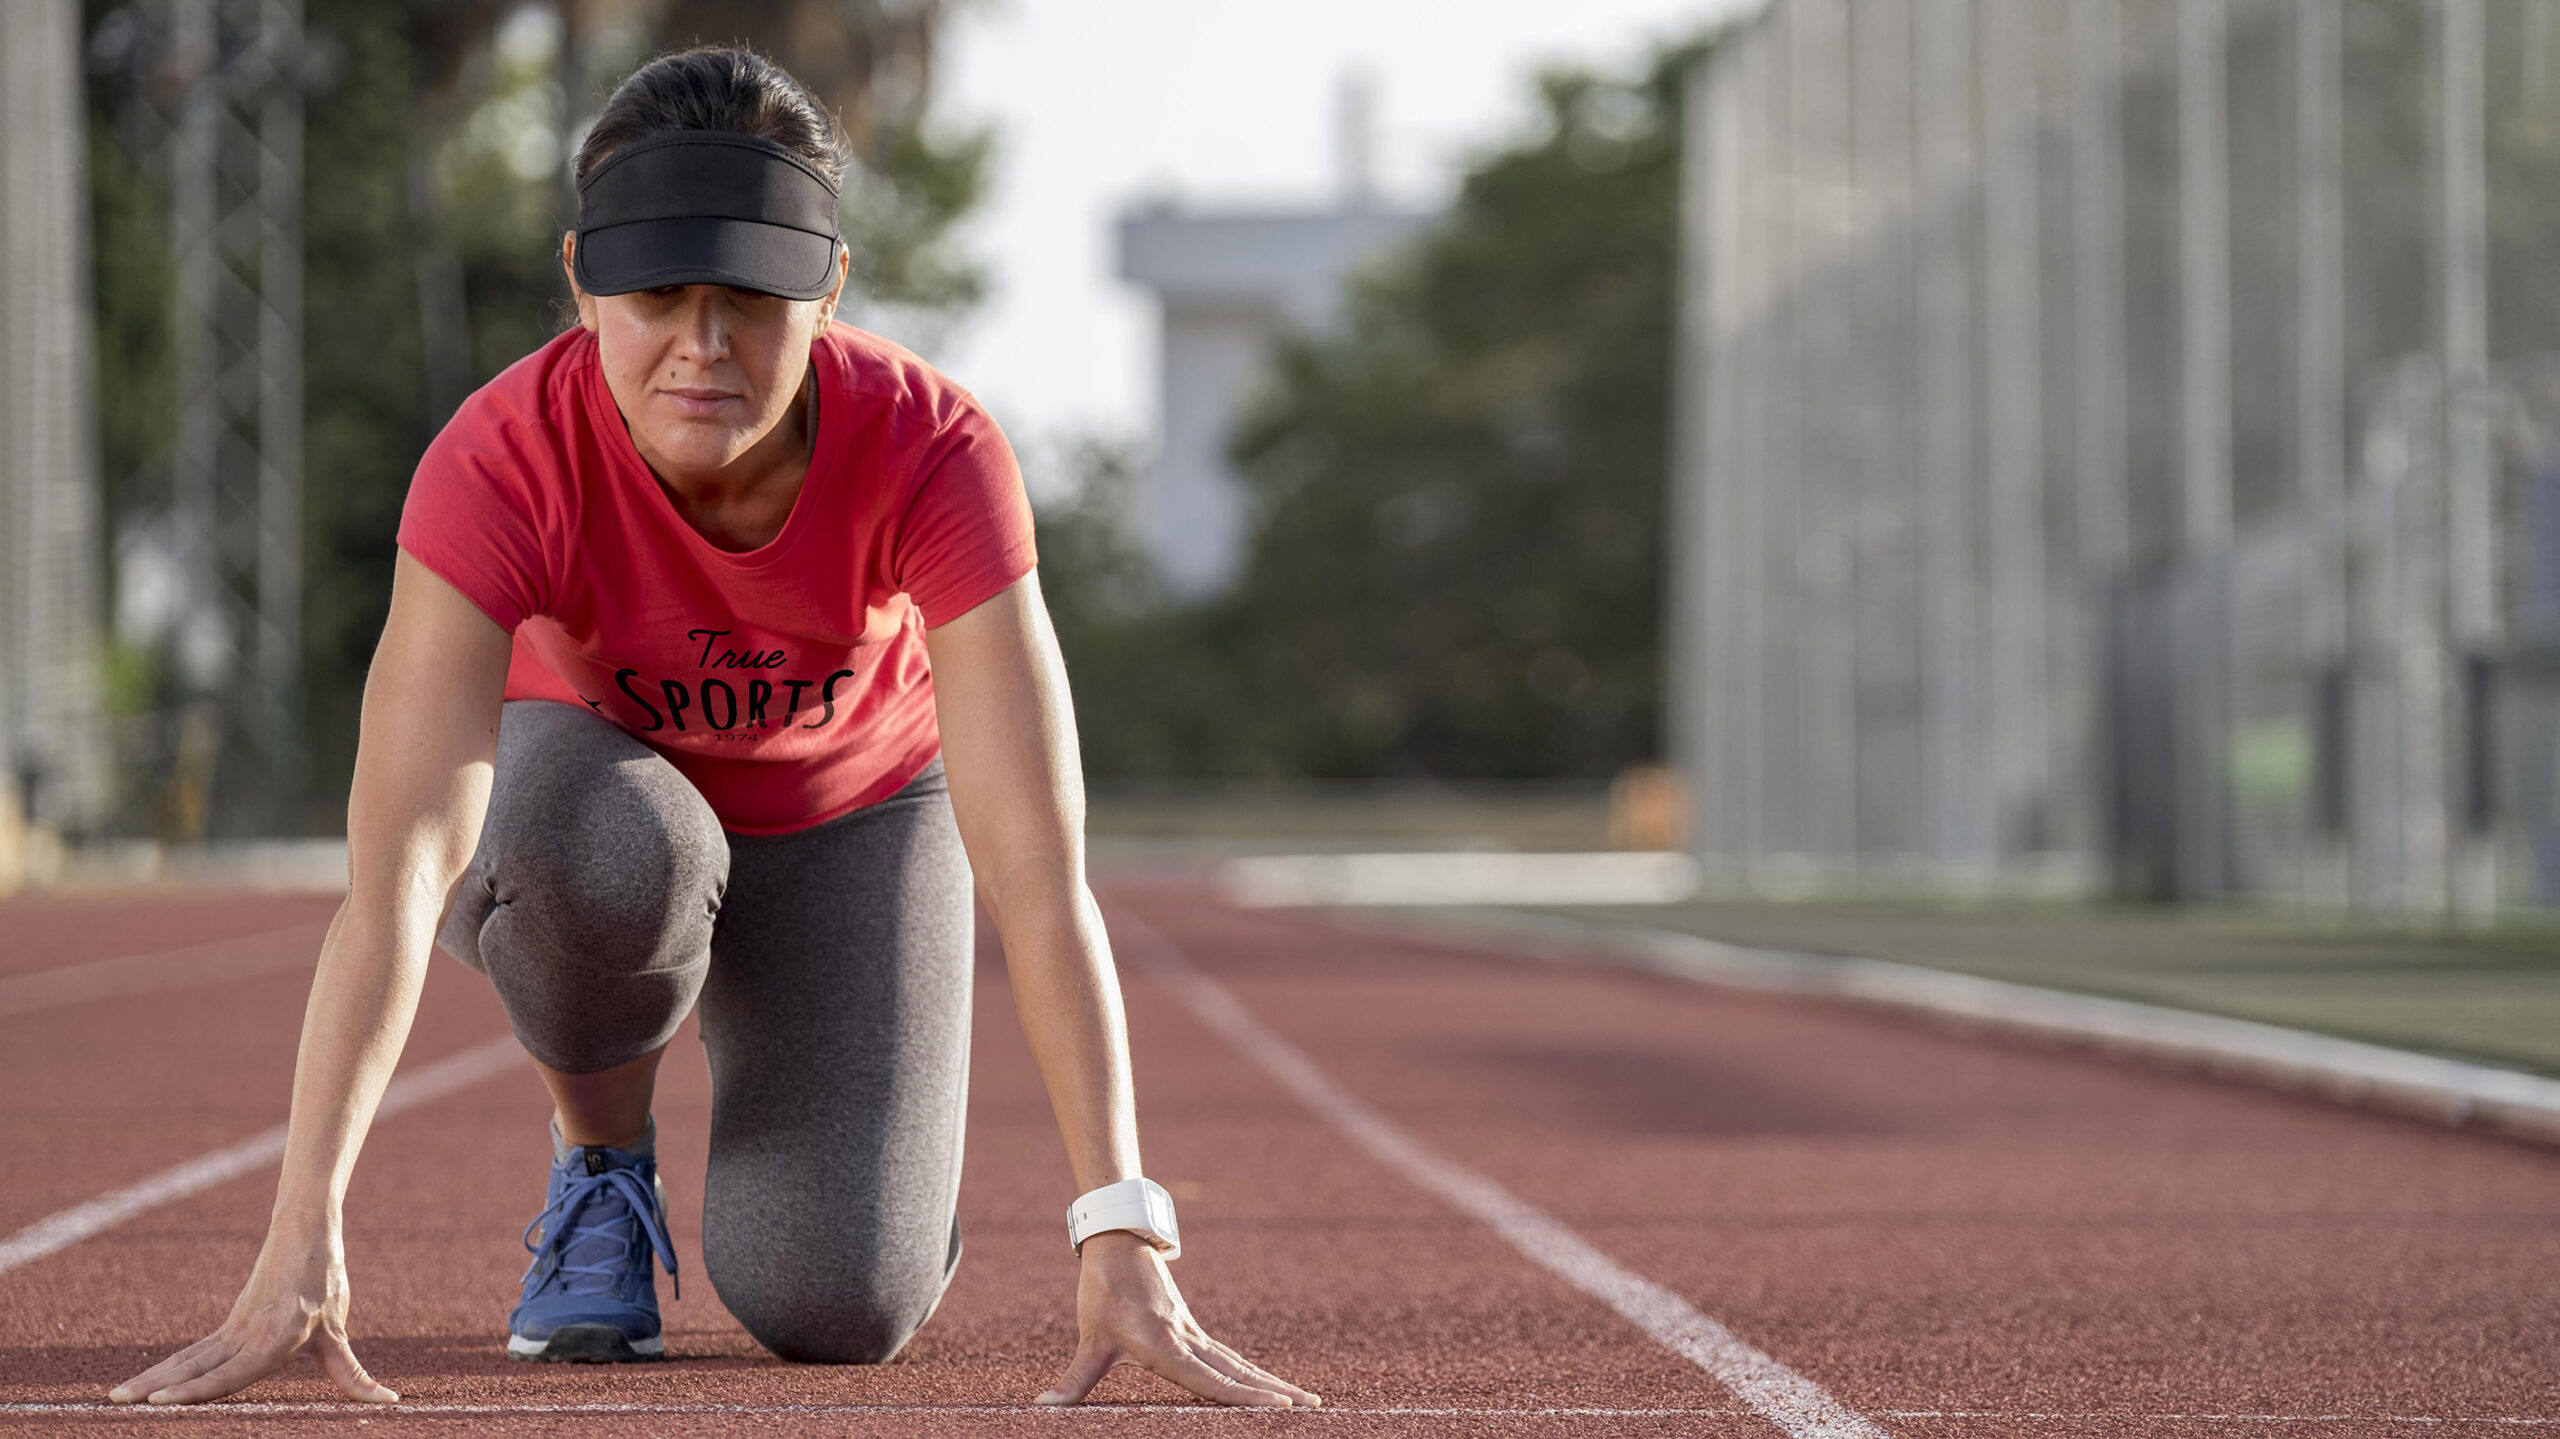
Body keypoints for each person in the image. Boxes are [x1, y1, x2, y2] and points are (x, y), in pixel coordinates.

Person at [109, 46, 1317, 1411]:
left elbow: (1037, 869)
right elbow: (397, 875)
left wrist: (1122, 1223)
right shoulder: (500, 461)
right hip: (601, 806)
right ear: (580, 279)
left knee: (841, 1305)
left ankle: (873, 1175)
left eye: (749, 295)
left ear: (830, 286)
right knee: (609, 848)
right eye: (657, 294)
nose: (703, 342)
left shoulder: (933, 450)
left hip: (857, 814)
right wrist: (299, 1237)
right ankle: (602, 1164)